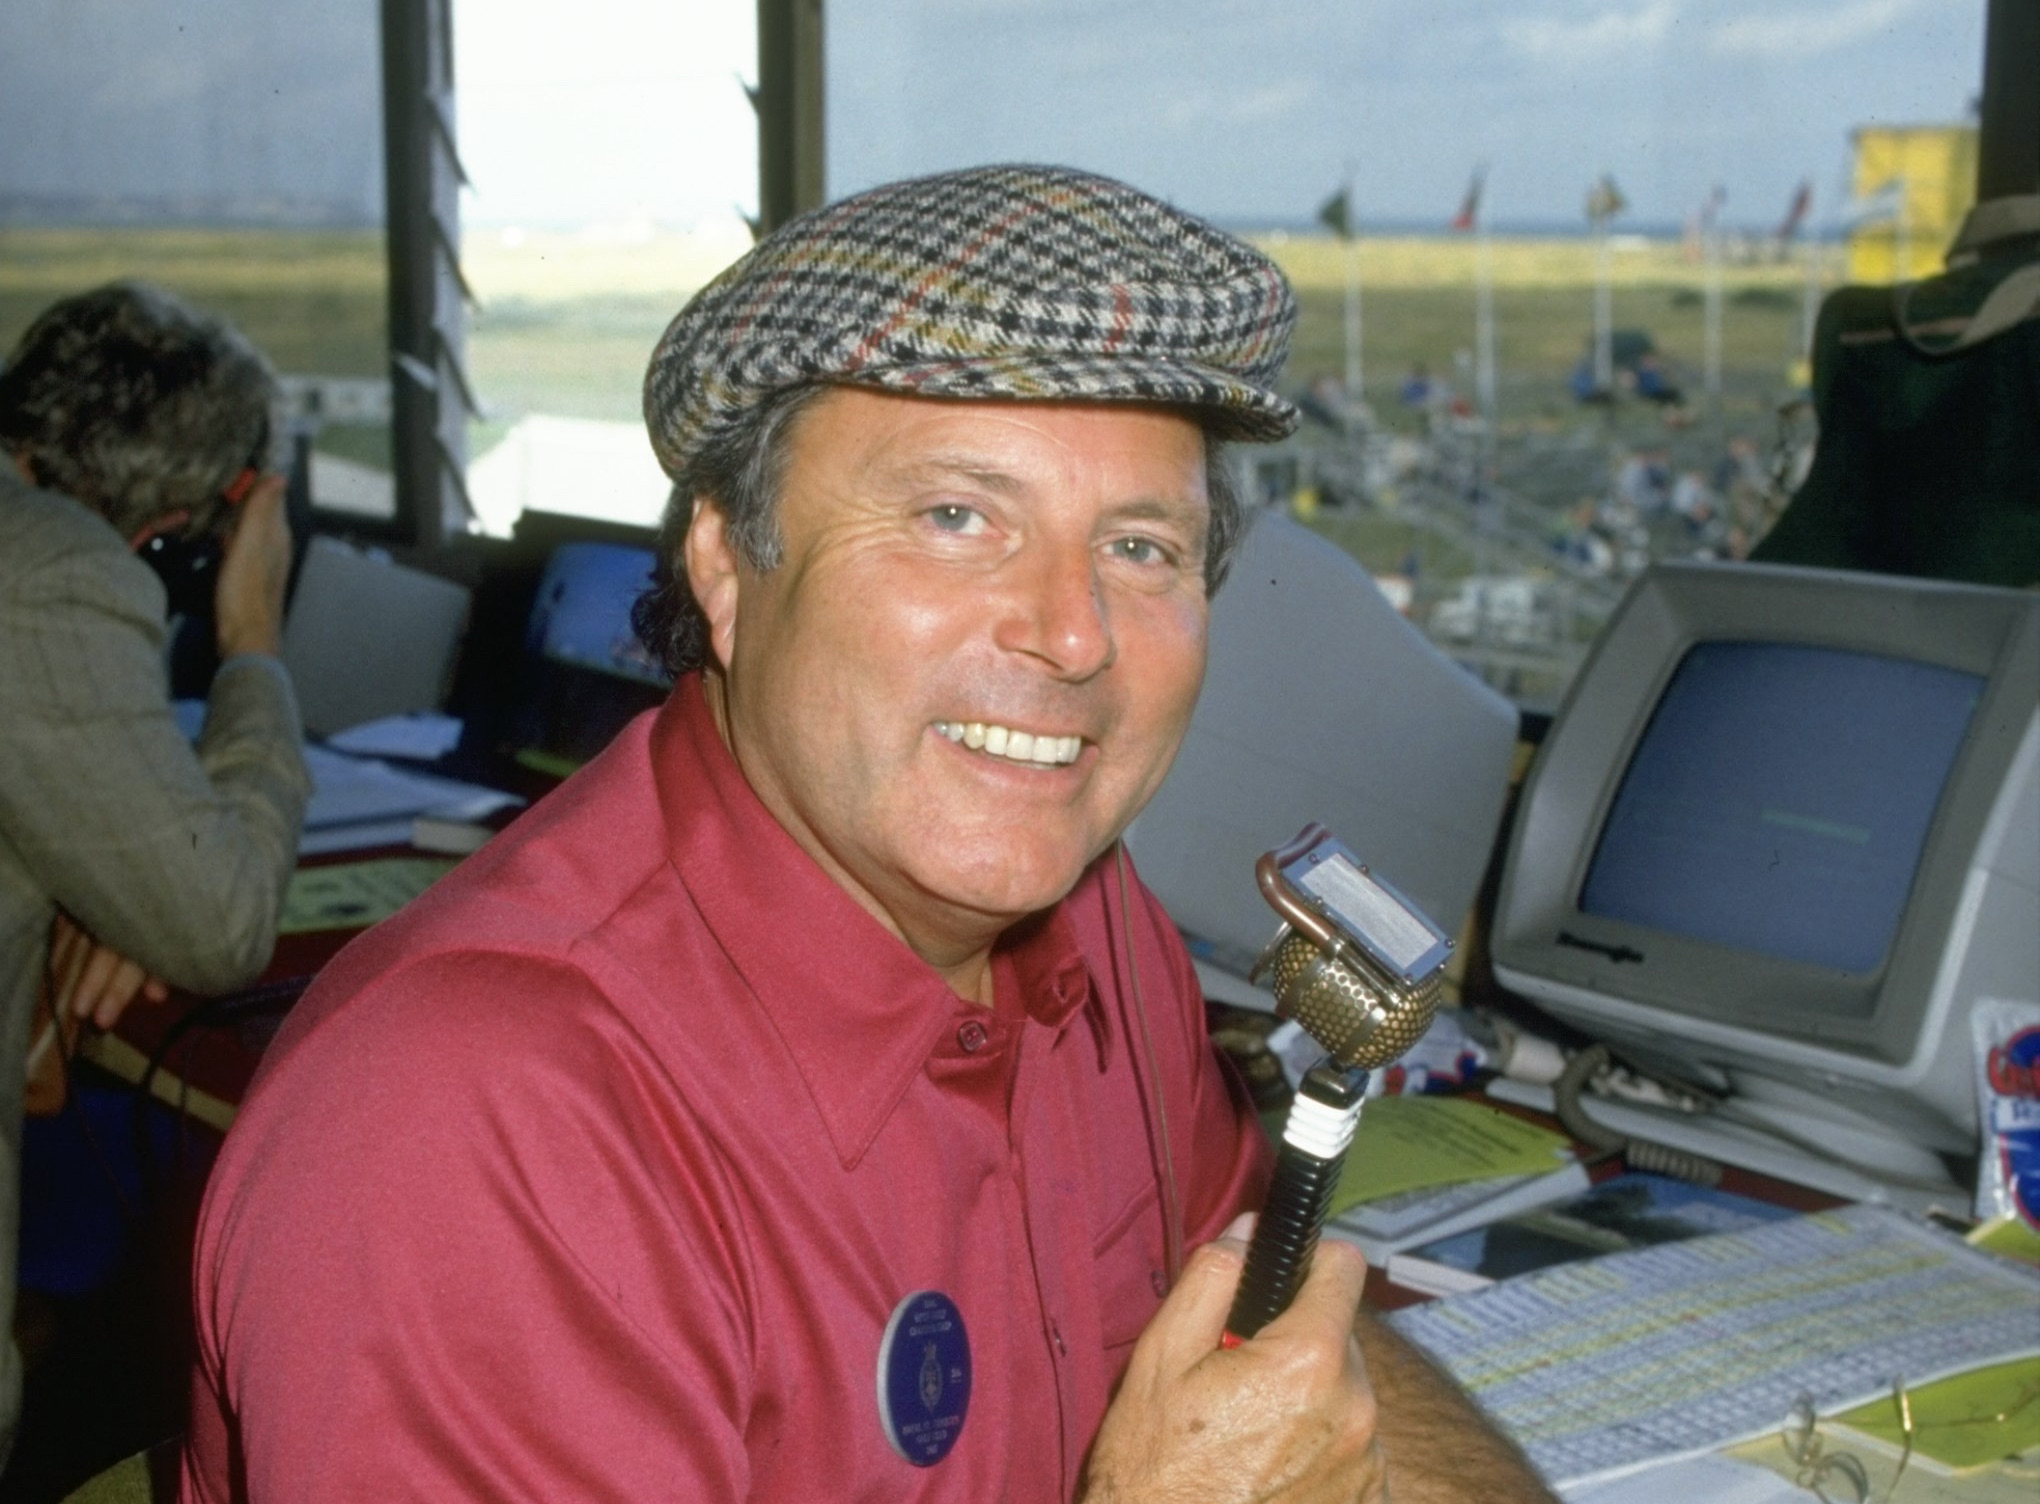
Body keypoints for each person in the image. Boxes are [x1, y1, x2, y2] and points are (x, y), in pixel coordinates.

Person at [181, 166, 1555, 1503]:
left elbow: (1284, 1351)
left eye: (1140, 548)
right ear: (726, 564)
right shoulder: (470, 1131)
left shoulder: (1098, 916)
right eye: (958, 518)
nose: (1073, 635)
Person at [0, 281, 310, 1468]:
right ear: (189, 520)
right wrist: (253, 643)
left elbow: (113, 825)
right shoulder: (58, 576)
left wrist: (116, 873)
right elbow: (221, 918)